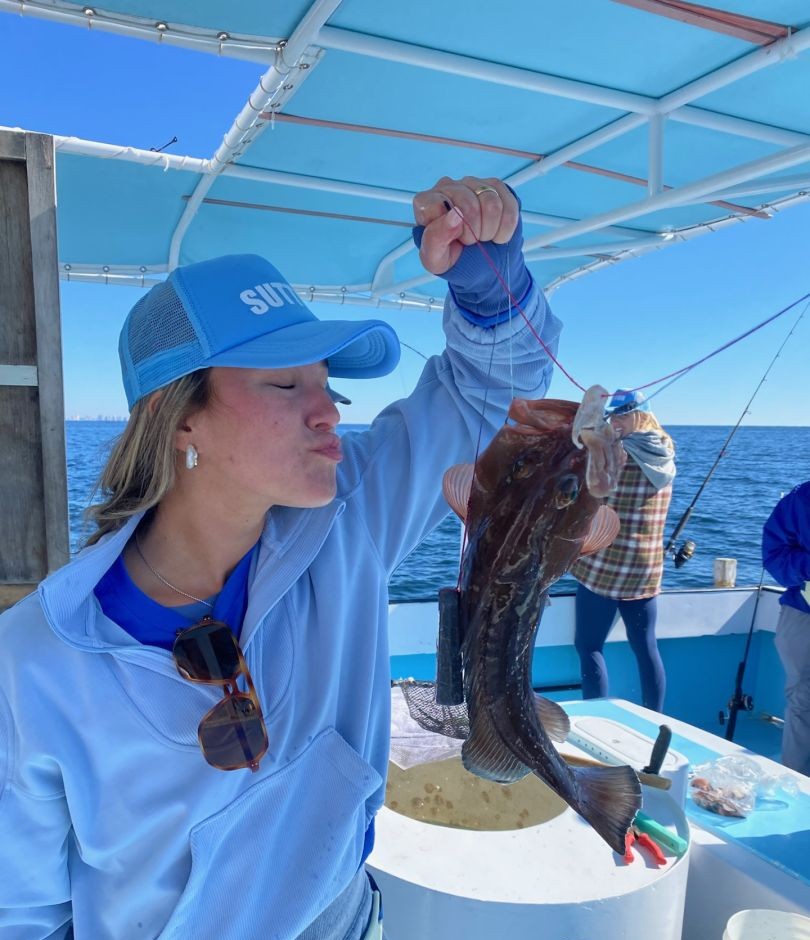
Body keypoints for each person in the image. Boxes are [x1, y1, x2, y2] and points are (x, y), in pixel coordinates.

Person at [0, 176, 561, 939]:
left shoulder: (349, 521)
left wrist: (491, 291)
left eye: (329, 385)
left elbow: (479, 398)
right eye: (286, 382)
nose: (328, 411)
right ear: (180, 419)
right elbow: (25, 916)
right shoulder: (38, 659)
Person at [572, 388, 676, 712]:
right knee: (646, 648)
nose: (615, 422)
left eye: (622, 415)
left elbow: (589, 479)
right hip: (646, 569)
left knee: (588, 645)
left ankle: (596, 714)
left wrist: (591, 424)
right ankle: (656, 719)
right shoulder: (665, 452)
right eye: (612, 416)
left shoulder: (617, 453)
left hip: (606, 564)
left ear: (639, 415)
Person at [762, 482, 810, 775]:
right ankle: (798, 782)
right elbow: (774, 554)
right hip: (803, 613)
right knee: (802, 699)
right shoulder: (802, 499)